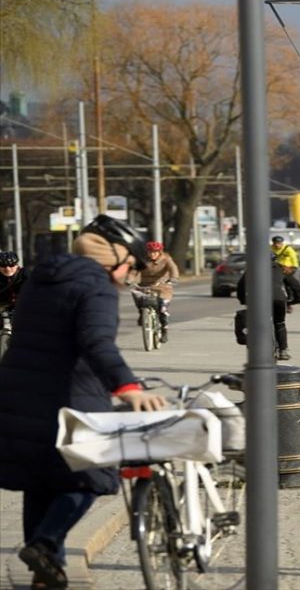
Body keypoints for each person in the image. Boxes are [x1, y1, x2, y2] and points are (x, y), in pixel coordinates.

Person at [0, 215, 168, 590]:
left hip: (17, 390)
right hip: (70, 392)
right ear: (115, 260)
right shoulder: (96, 286)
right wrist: (129, 387)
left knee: (41, 480)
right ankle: (45, 545)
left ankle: (47, 571)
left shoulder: (42, 279)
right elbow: (96, 342)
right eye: (130, 268)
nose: (129, 278)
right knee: (94, 475)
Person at [237, 258, 300, 361]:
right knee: (279, 323)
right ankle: (283, 351)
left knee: (257, 323)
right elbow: (295, 285)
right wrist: (297, 299)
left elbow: (241, 286)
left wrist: (243, 300)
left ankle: (257, 348)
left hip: (258, 300)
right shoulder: (280, 268)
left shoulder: (252, 268)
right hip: (278, 299)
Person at [132, 241, 180, 343]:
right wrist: (129, 280)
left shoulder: (166, 259)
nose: (152, 254)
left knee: (162, 309)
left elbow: (173, 269)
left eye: (155, 252)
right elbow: (134, 271)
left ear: (160, 252)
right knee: (136, 294)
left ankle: (164, 331)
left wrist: (174, 278)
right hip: (145, 285)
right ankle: (142, 312)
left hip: (162, 287)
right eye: (150, 252)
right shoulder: (142, 260)